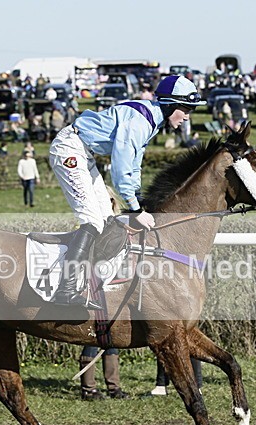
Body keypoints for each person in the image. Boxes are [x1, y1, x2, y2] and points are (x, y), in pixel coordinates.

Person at [48, 74, 205, 308]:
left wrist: (138, 198)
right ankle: (65, 290)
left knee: (106, 219)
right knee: (92, 221)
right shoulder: (141, 121)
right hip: (69, 149)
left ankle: (88, 283)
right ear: (171, 105)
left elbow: (134, 165)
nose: (187, 117)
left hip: (83, 153)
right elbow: (121, 171)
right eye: (186, 109)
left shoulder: (151, 119)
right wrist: (135, 208)